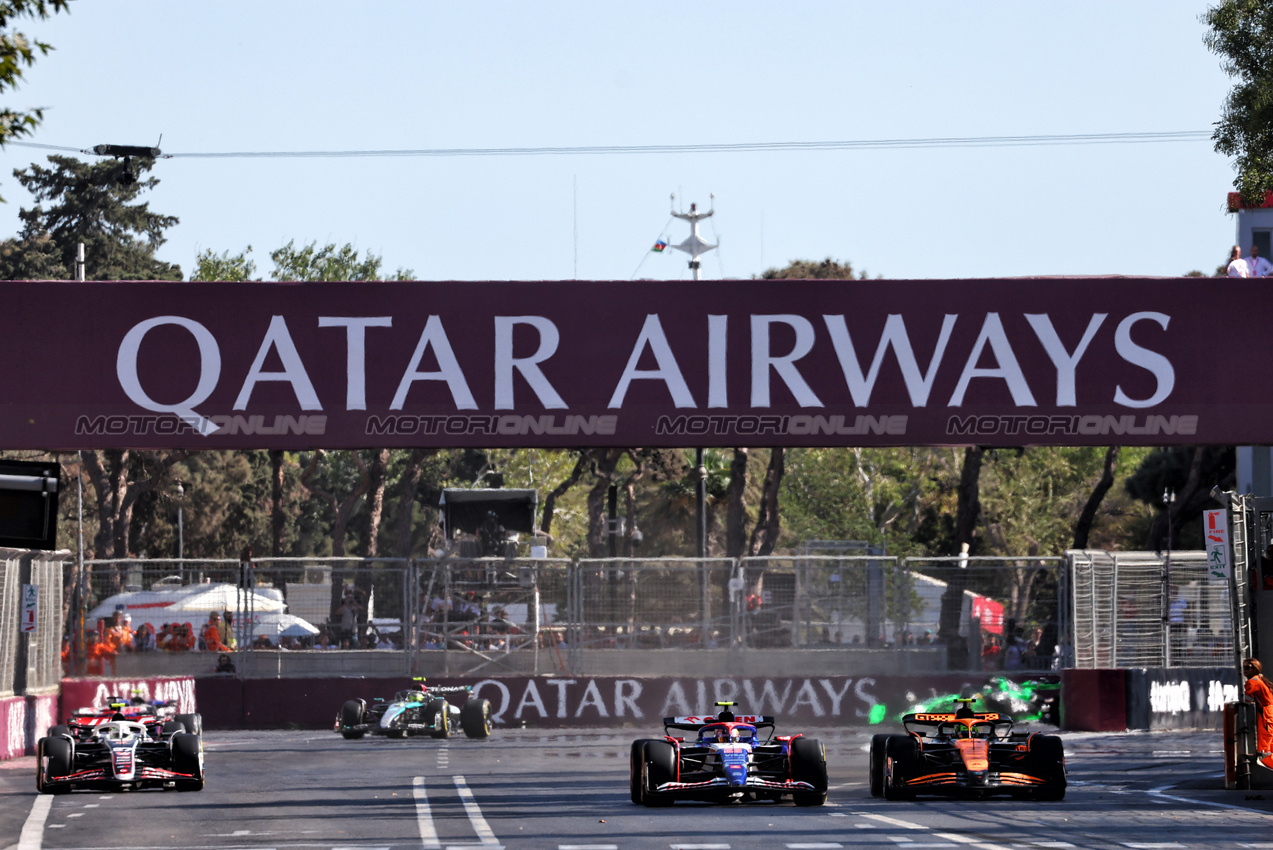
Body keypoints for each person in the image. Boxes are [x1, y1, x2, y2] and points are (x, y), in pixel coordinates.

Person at [1244, 658, 1273, 768]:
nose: (1245, 670)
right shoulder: (1259, 680)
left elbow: (1245, 699)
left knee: (1264, 749)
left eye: (1248, 667)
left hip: (1265, 716)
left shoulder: (1253, 682)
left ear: (1255, 669)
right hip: (1268, 715)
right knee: (1270, 746)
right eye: (1244, 667)